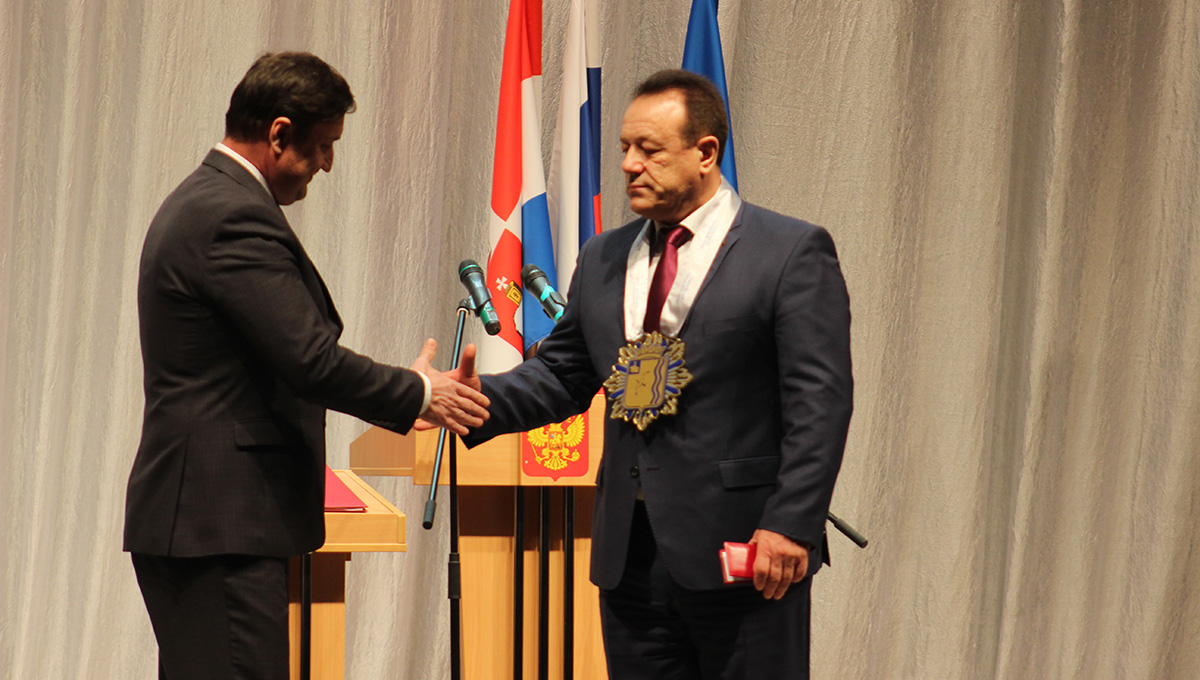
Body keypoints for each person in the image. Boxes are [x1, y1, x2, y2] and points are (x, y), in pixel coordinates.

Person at [458, 69, 853, 679]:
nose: (629, 165)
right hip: (630, 558)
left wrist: (790, 524)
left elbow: (819, 405)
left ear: (705, 153)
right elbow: (561, 375)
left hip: (746, 552)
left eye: (649, 149)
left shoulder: (789, 252)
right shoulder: (604, 255)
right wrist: (469, 398)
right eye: (624, 148)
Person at [123, 52, 489, 680]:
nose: (328, 163)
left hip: (209, 522)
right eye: (323, 145)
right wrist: (418, 392)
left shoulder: (208, 200)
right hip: (220, 526)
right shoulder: (230, 216)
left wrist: (407, 391)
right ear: (278, 134)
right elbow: (311, 361)